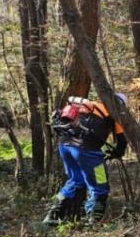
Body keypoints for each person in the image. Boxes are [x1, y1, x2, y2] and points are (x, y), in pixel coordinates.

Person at [43, 93, 128, 225]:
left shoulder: (90, 105)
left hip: (64, 146)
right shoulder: (115, 114)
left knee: (75, 181)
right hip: (88, 151)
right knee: (100, 184)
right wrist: (116, 153)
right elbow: (121, 141)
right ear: (120, 104)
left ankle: (53, 213)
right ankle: (94, 220)